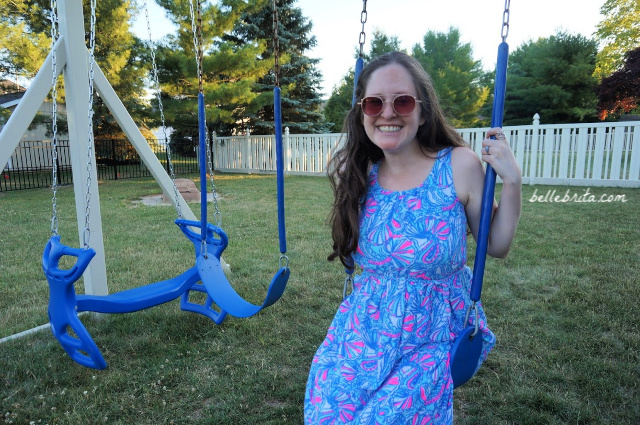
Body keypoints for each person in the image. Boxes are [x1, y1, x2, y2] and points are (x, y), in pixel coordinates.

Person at [304, 51, 522, 423]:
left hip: (432, 333)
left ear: (422, 112)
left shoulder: (459, 165)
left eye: (402, 101)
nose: (387, 113)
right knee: (326, 415)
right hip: (364, 330)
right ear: (363, 113)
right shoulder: (359, 174)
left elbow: (496, 247)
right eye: (374, 103)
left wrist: (512, 181)